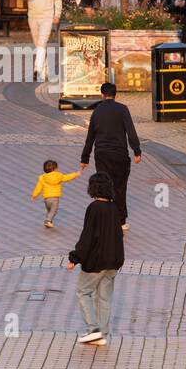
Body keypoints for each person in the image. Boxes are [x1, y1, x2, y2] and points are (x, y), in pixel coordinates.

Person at [67, 172, 125, 347]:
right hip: (113, 261)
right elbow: (118, 235)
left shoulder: (94, 208)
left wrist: (75, 258)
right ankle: (102, 333)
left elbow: (88, 237)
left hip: (96, 262)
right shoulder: (115, 208)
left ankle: (93, 330)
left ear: (92, 188)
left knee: (83, 291)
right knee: (104, 297)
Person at [79, 81, 141, 231]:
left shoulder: (97, 111)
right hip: (120, 155)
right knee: (120, 187)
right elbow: (131, 132)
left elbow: (90, 137)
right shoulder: (122, 109)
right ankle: (120, 221)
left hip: (102, 155)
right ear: (115, 95)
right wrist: (137, 151)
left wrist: (84, 158)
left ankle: (104, 220)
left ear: (102, 94)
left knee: (104, 186)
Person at [18, 0, 62, 82]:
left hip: (47, 16)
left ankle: (36, 69)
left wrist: (57, 15)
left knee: (42, 43)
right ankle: (44, 71)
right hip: (33, 16)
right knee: (39, 45)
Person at [31, 159, 80, 229]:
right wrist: (76, 174)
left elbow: (38, 187)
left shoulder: (42, 178)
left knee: (49, 211)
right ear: (54, 169)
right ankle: (48, 220)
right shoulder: (58, 176)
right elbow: (67, 178)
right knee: (54, 210)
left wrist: (34, 195)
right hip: (55, 198)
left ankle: (49, 222)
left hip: (46, 198)